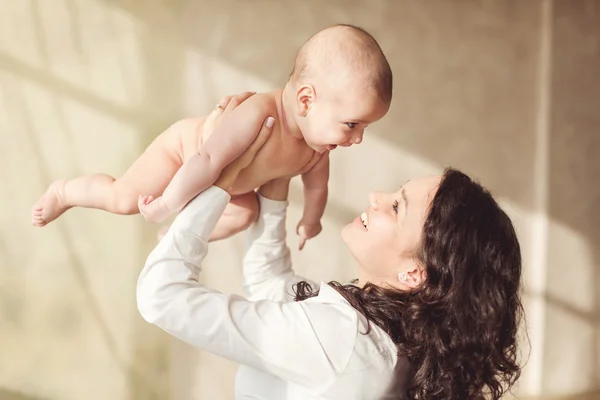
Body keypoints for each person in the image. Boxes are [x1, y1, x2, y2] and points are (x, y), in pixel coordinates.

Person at [136, 94, 524, 399]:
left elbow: (161, 297)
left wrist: (221, 181)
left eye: (396, 206)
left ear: (414, 273)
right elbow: (271, 285)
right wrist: (277, 174)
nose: (375, 195)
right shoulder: (389, 339)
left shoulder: (338, 341)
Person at [31, 24, 392, 250]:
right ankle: (66, 191)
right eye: (352, 124)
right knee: (123, 199)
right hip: (183, 157)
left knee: (244, 215)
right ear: (306, 99)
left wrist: (311, 220)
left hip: (225, 188)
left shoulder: (317, 150)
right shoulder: (259, 114)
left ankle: (177, 235)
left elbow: (316, 189)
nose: (357, 139)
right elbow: (207, 160)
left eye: (363, 128)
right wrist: (168, 201)